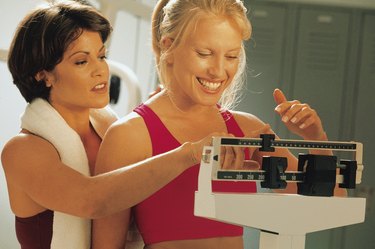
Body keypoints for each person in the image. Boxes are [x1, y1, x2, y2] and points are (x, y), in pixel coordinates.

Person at [92, 0, 346, 249]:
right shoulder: (130, 136)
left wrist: (316, 138)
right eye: (204, 53)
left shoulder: (248, 130)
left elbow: (333, 203)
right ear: (168, 46)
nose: (218, 70)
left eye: (232, 56)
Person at [0, 1, 233, 248]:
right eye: (81, 61)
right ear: (43, 74)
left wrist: (160, 118)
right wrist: (189, 153)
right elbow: (93, 201)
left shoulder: (113, 131)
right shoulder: (23, 150)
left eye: (101, 56)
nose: (101, 70)